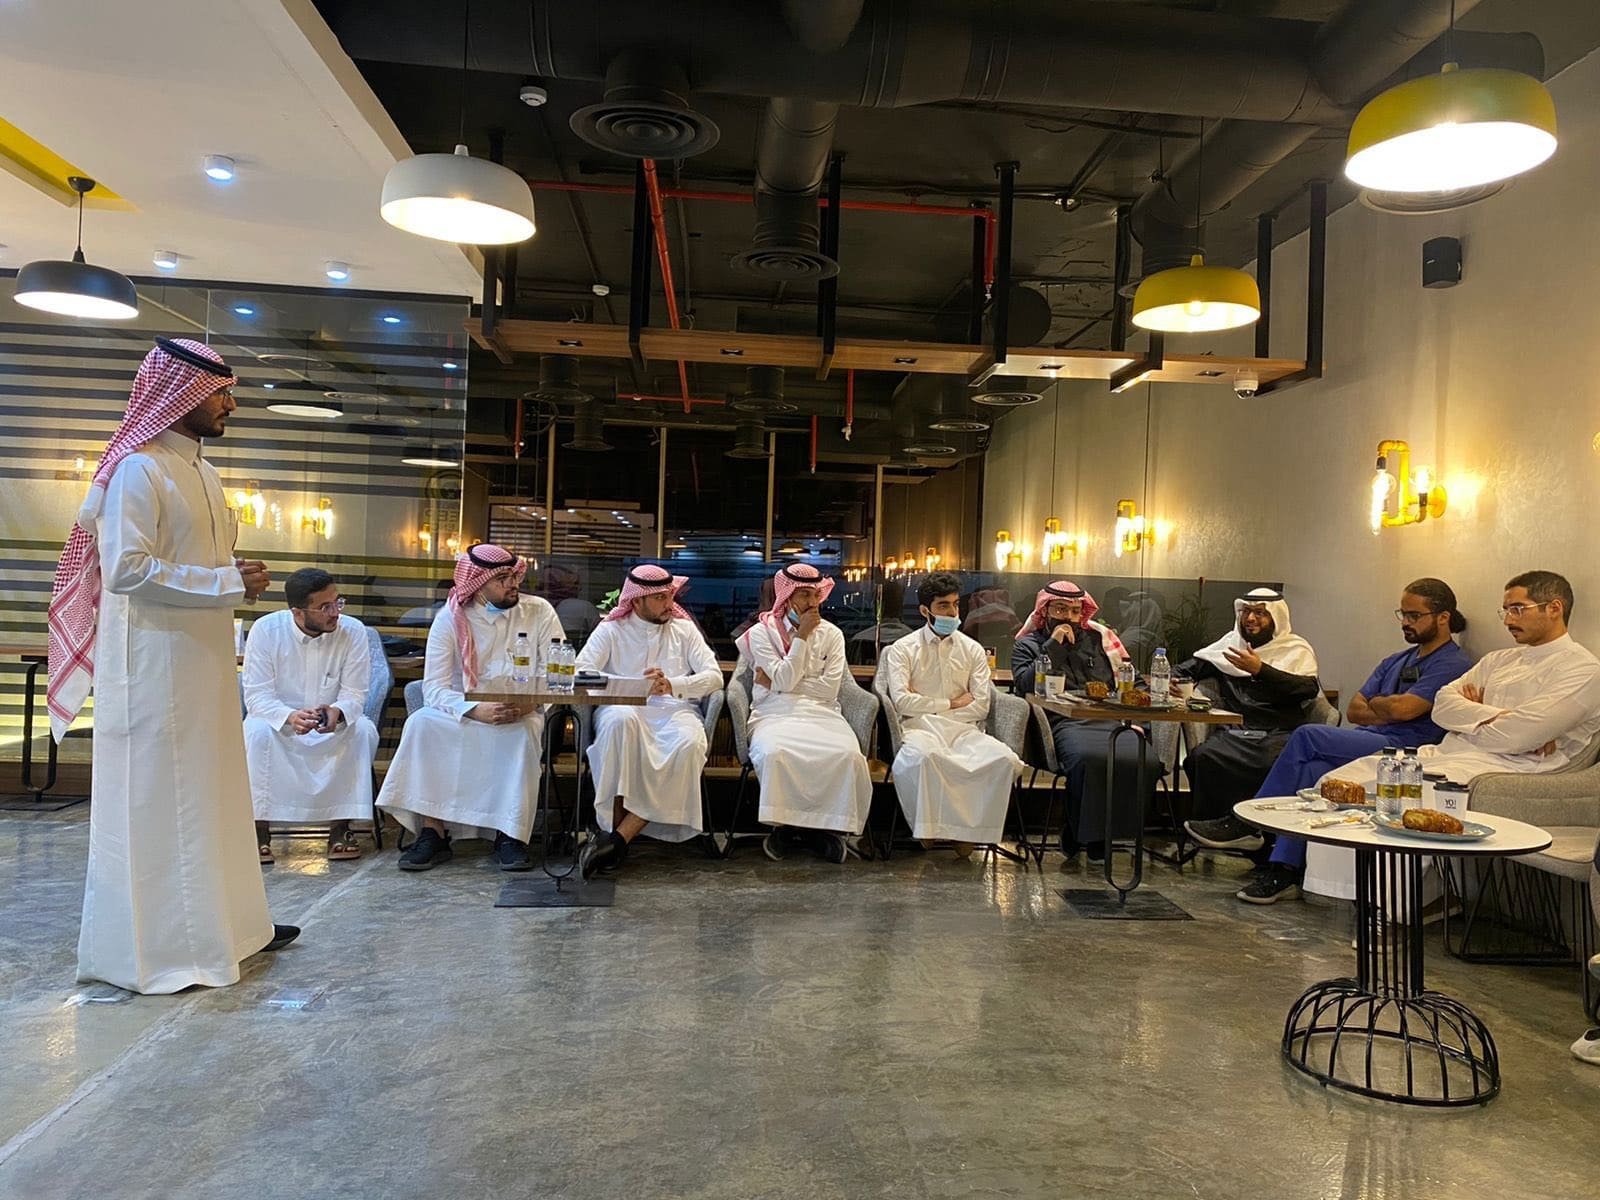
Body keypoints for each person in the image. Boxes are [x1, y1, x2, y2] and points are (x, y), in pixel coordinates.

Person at [47, 337, 296, 993]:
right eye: (219, 393)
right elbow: (127, 570)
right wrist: (225, 582)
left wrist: (232, 574)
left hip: (202, 660)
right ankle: (165, 950)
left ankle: (231, 929)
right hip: (154, 668)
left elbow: (192, 563)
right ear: (179, 395)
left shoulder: (204, 474)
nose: (230, 405)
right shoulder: (138, 471)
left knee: (213, 793)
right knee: (165, 802)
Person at [1186, 579, 1472, 902]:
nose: (1405, 622)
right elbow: (1354, 710)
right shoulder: (1396, 660)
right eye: (1402, 614)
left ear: (1443, 617)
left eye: (1414, 616)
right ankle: (1284, 871)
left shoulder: (1452, 664)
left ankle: (1251, 823)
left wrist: (1380, 706)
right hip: (1370, 738)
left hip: (1406, 751)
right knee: (1314, 773)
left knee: (1307, 735)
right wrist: (1387, 708)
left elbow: (1405, 710)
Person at [377, 544, 563, 872]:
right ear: (477, 584)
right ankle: (433, 833)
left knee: (522, 733)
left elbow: (558, 673)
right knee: (421, 724)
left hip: (518, 711)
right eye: (502, 579)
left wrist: (529, 703)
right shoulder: (450, 618)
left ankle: (509, 835)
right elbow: (433, 687)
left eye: (514, 576)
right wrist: (475, 709)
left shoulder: (539, 611)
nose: (513, 584)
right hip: (464, 710)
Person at [576, 565, 723, 877]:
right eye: (659, 598)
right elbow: (581, 673)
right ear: (636, 600)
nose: (669, 603)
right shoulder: (611, 630)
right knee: (620, 723)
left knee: (689, 743)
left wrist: (673, 685)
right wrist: (632, 686)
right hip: (622, 706)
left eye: (670, 596)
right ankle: (614, 830)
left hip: (675, 710)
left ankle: (617, 840)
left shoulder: (684, 630)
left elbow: (714, 677)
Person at [879, 571, 1023, 855]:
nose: (952, 612)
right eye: (943, 605)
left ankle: (970, 832)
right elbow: (902, 703)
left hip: (965, 730)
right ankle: (930, 828)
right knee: (924, 758)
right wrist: (951, 703)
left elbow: (981, 705)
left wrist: (927, 702)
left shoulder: (973, 650)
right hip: (919, 728)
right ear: (925, 611)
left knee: (1003, 759)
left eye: (956, 604)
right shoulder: (903, 649)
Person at [243, 568, 380, 863]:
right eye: (325, 607)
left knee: (362, 730)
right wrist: (289, 716)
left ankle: (341, 829)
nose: (336, 613)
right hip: (281, 724)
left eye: (338, 602)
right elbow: (256, 696)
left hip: (330, 726)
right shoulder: (266, 630)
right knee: (255, 732)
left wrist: (338, 712)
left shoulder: (353, 630)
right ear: (297, 612)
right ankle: (257, 830)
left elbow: (356, 693)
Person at [737, 562, 871, 863]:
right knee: (776, 753)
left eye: (815, 594)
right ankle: (787, 829)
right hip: (773, 713)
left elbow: (828, 691)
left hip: (823, 713)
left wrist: (779, 682)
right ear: (787, 597)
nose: (813, 602)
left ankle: (821, 830)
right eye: (804, 595)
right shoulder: (761, 633)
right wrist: (801, 638)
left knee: (848, 756)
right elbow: (784, 683)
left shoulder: (833, 634)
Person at [1010, 580, 1150, 861]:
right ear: (1045, 610)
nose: (1069, 618)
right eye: (1060, 610)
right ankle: (1088, 834)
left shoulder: (1100, 642)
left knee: (1144, 759)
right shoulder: (1028, 645)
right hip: (1063, 723)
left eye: (1075, 611)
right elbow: (1024, 685)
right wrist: (1053, 646)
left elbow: (1131, 679)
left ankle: (1104, 833)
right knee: (1089, 759)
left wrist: (1140, 716)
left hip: (1108, 721)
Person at [1177, 587, 1322, 831]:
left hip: (1279, 733)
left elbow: (1307, 689)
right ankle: (1211, 829)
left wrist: (1260, 670)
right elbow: (1185, 669)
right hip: (1236, 732)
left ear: (1275, 618)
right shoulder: (1230, 647)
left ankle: (1258, 831)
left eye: (1259, 613)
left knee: (1271, 764)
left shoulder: (1295, 649)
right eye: (1246, 611)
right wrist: (1173, 681)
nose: (1250, 619)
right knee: (1202, 757)